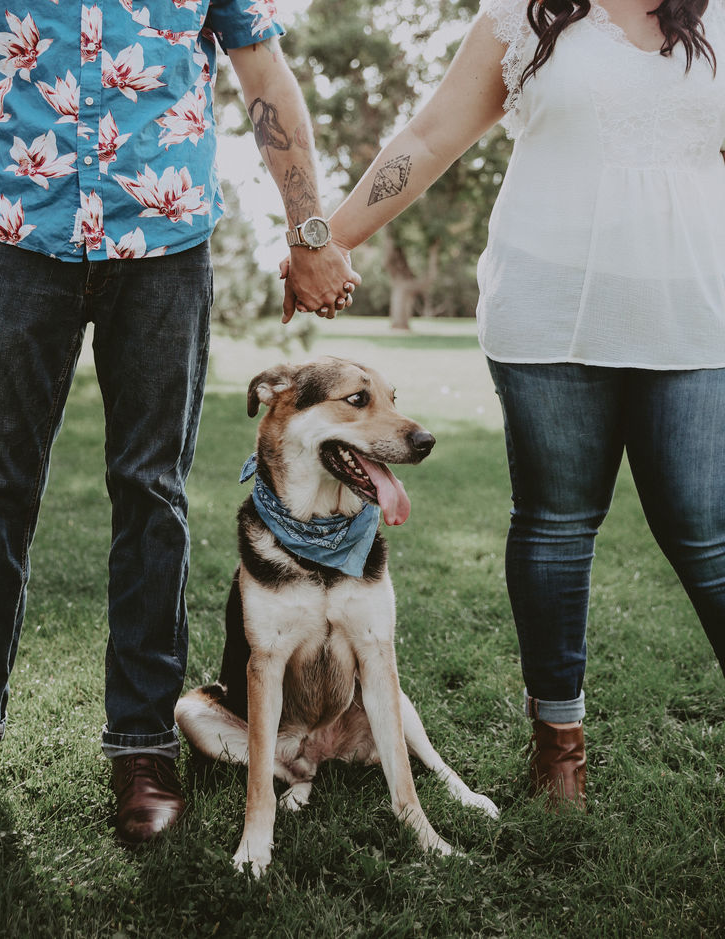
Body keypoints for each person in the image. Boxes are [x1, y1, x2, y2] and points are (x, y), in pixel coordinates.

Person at [0, 0, 359, 845]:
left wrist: (311, 231)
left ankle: (143, 746)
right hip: (16, 235)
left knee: (152, 494)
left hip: (164, 242)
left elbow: (263, 71)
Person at [284, 0, 725, 809]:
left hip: (693, 316)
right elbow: (427, 139)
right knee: (557, 525)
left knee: (707, 531)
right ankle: (559, 747)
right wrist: (326, 239)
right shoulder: (527, 17)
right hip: (550, 312)